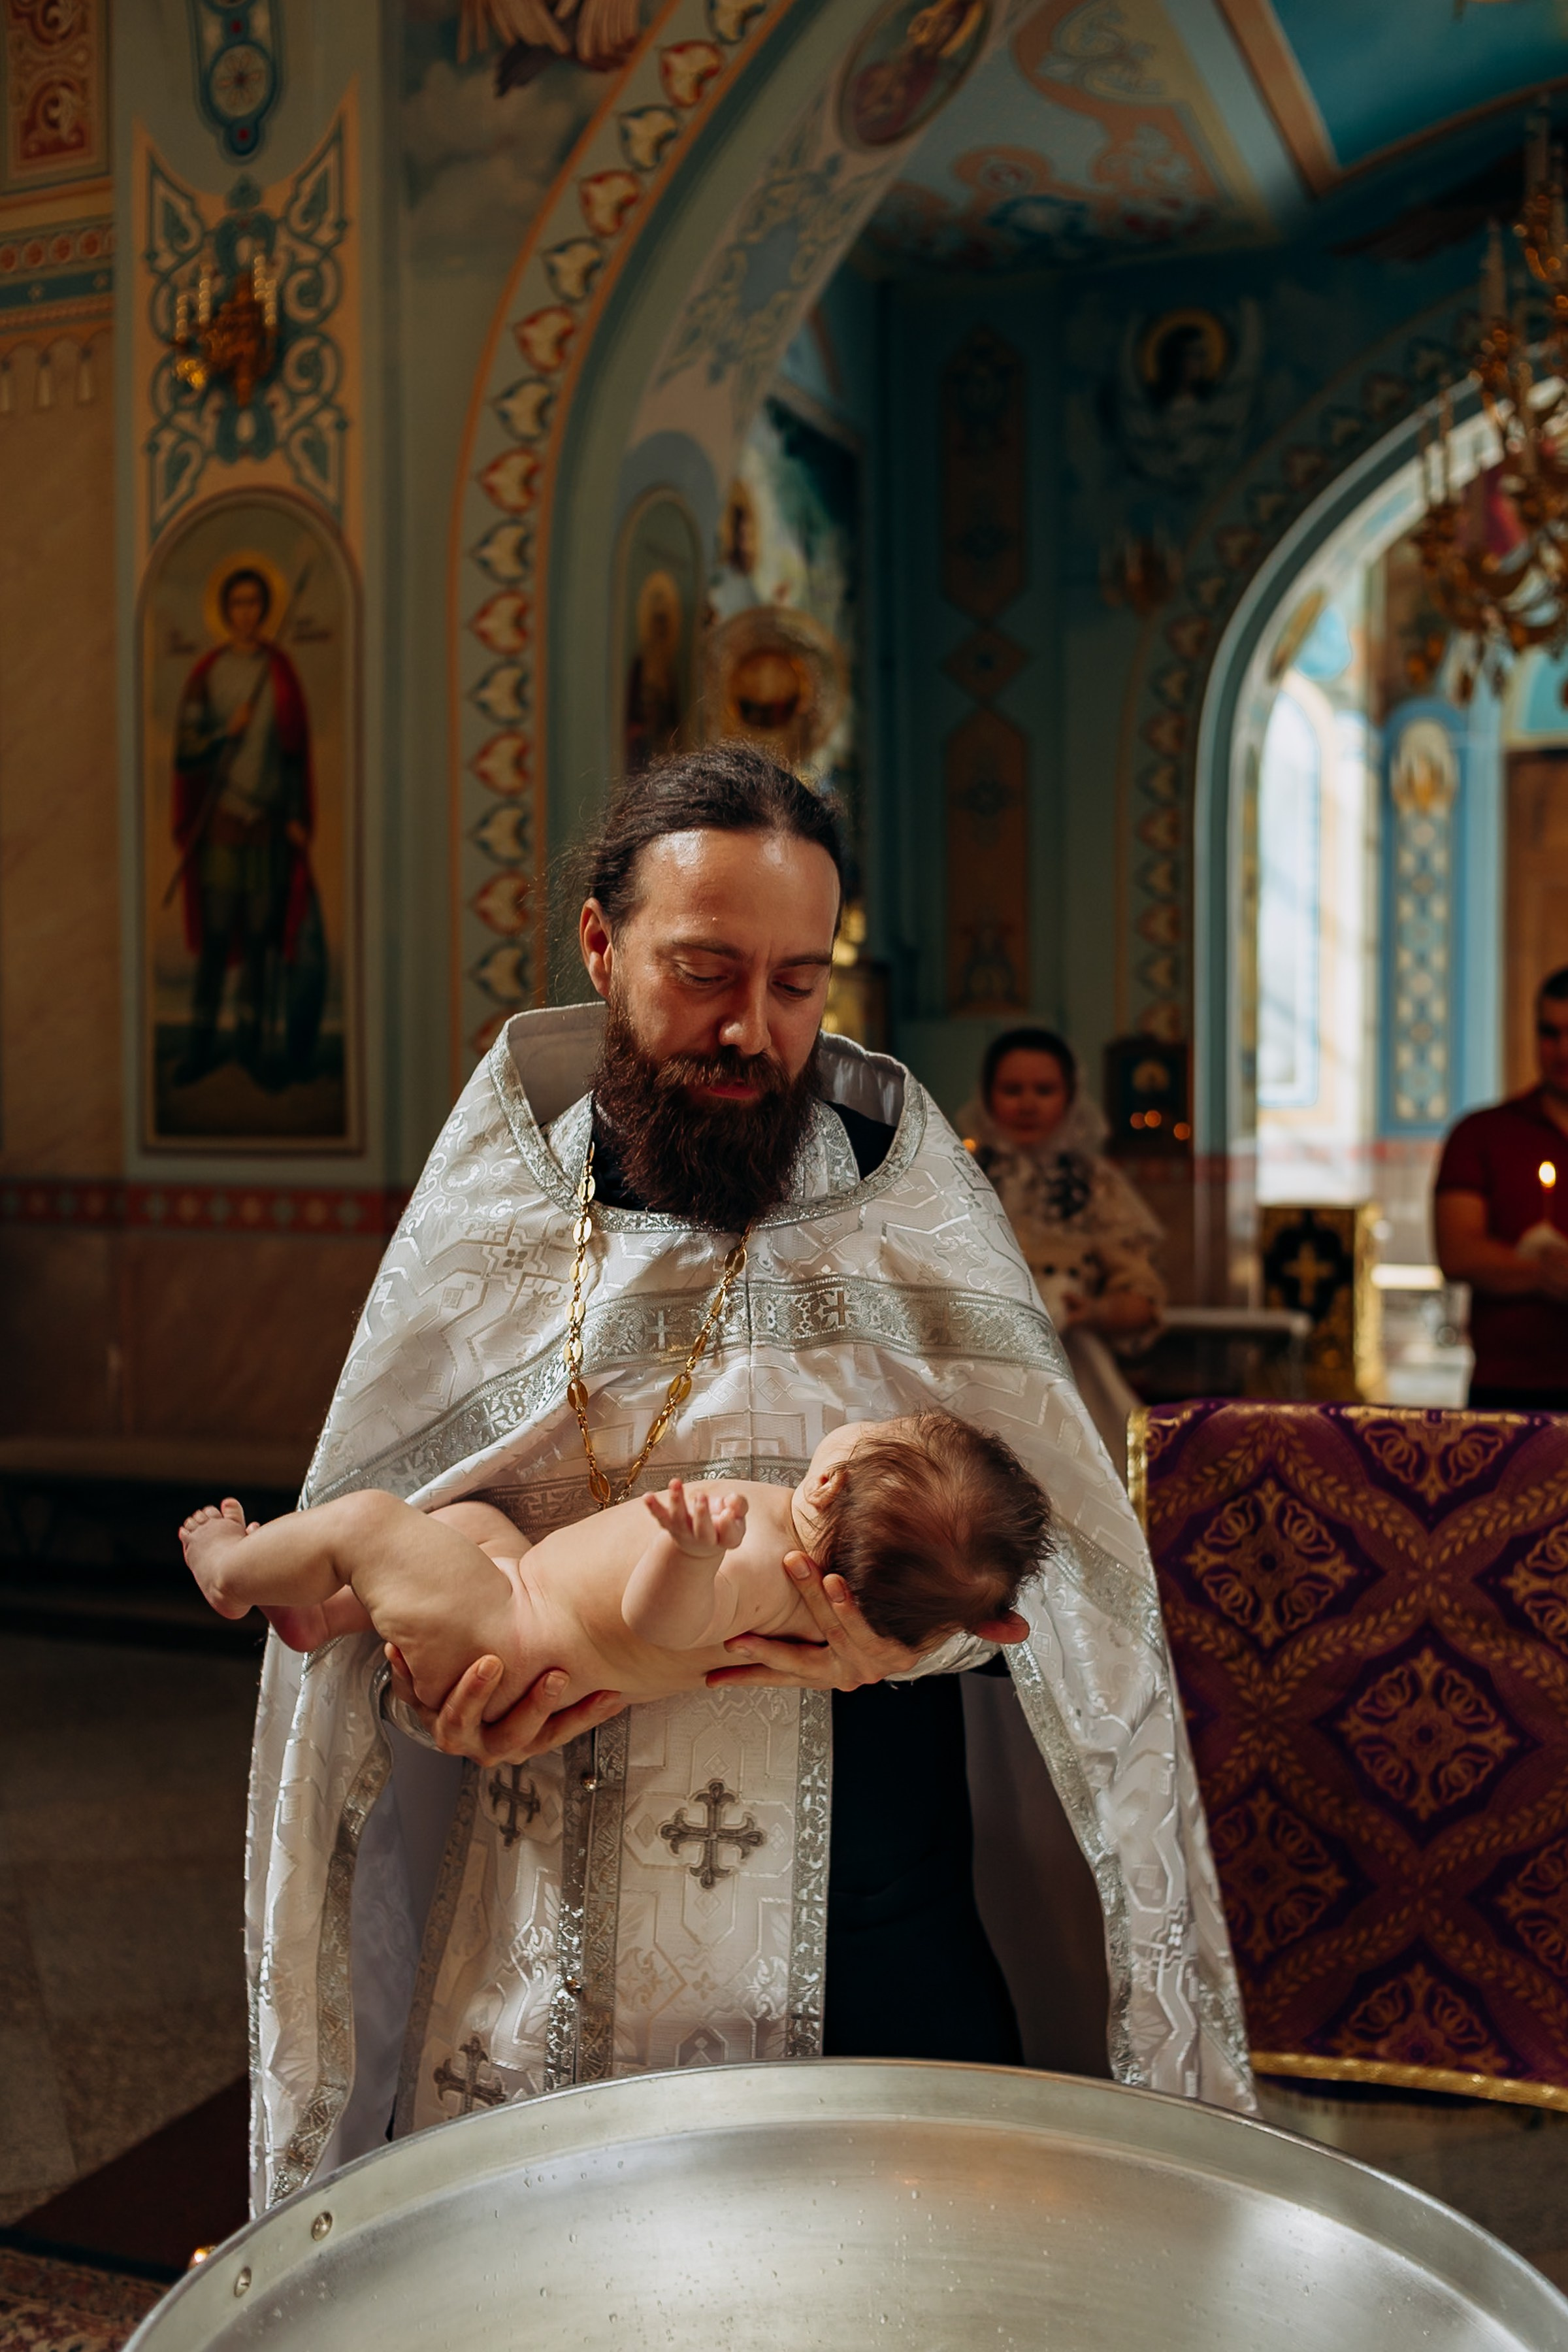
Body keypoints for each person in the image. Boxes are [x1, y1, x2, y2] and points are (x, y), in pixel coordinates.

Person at [246, 744, 1249, 2211]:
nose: (752, 1028)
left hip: (874, 1928)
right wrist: (430, 1682)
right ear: (603, 944)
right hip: (545, 1940)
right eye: (706, 970)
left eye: (796, 982)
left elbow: (1073, 1593)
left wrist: (909, 1636)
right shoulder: (498, 1214)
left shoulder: (909, 1203)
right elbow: (385, 1546)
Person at [181, 1416, 1043, 1710]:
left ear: (828, 1481)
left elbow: (660, 1621)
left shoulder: (755, 1562)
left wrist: (689, 1554)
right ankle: (322, 1613)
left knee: (370, 1522)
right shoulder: (822, 1577)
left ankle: (231, 1570)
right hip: (515, 1592)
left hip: (504, 1635)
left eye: (882, 1429)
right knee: (471, 1524)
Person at [170, 565, 323, 1089]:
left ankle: (252, 1050)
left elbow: (294, 755)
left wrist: (298, 816)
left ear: (264, 609)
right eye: (237, 603)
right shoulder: (208, 674)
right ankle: (199, 1048)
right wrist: (221, 736)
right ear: (226, 609)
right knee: (217, 940)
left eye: (254, 603)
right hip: (222, 825)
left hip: (269, 828)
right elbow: (186, 752)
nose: (245, 613)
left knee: (260, 941)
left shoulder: (280, 673)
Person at [961, 1027, 1165, 1342]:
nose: (1028, 1105)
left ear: (1070, 1097)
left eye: (1044, 1091)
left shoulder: (1095, 1183)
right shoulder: (959, 1175)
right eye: (1012, 1090)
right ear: (988, 1097)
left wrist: (1096, 1311)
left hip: (1071, 1356)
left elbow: (1144, 1296)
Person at [1434, 966, 1568, 1409]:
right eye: (1549, 1033)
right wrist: (1544, 1273)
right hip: (1509, 1390)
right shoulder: (1481, 1134)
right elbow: (1457, 1252)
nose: (1563, 1050)